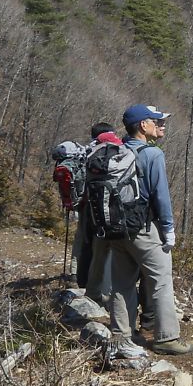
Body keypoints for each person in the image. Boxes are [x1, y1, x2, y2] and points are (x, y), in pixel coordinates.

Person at [97, 104, 193, 358]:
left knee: (122, 283)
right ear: (143, 125)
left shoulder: (115, 151)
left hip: (116, 229)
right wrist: (168, 229)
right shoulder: (152, 155)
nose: (161, 125)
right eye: (156, 121)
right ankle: (167, 338)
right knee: (160, 280)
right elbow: (160, 196)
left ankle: (122, 336)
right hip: (143, 228)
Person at [75, 121, 123, 306]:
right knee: (114, 253)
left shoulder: (89, 153)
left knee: (91, 248)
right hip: (115, 211)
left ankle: (88, 287)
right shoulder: (121, 152)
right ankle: (109, 294)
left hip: (90, 209)